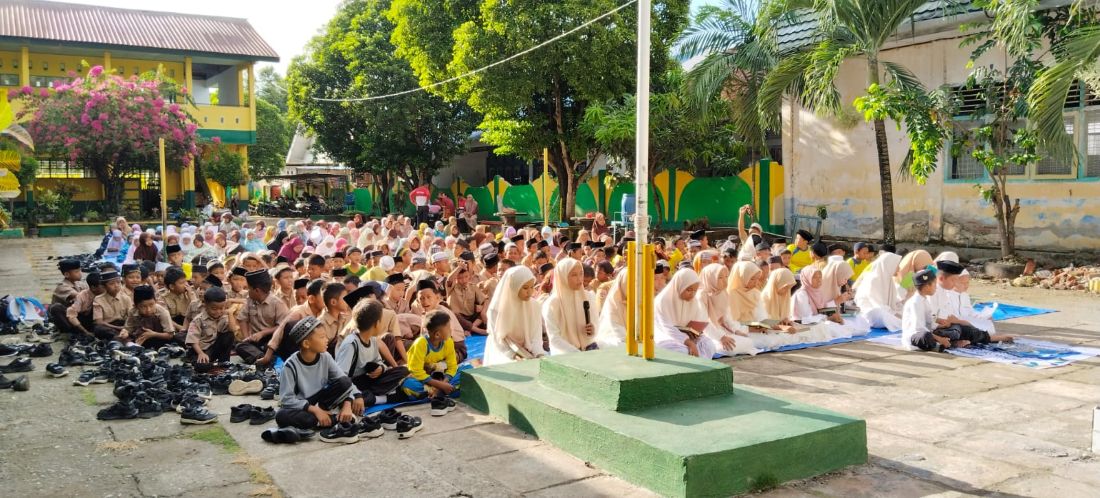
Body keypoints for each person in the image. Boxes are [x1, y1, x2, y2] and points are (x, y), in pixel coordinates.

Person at [275, 317, 362, 432]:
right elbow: (286, 399)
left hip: (323, 402)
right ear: (306, 344)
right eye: (322, 337)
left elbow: (344, 381)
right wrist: (315, 410)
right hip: (303, 407)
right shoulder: (290, 366)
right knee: (281, 416)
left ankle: (324, 419)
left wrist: (347, 404)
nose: (327, 339)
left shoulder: (325, 357)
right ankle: (335, 419)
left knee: (345, 382)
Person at [335, 300, 409, 408]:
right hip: (354, 383)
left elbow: (379, 361)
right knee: (358, 398)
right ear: (376, 324)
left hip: (369, 380)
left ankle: (372, 395)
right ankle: (377, 398)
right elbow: (341, 377)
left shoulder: (373, 339)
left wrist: (381, 369)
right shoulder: (351, 344)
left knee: (403, 370)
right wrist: (356, 394)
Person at [400, 310, 467, 419]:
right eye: (448, 327)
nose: (451, 330)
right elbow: (415, 371)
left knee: (467, 371)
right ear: (437, 334)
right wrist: (439, 386)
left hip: (440, 377)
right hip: (423, 379)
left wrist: (443, 383)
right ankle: (443, 393)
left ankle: (437, 394)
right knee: (409, 386)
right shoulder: (420, 344)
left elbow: (452, 366)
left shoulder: (448, 341)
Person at [483, 267, 546, 366]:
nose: (529, 292)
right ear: (514, 286)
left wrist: (539, 354)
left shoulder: (534, 306)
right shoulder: (496, 310)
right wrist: (514, 356)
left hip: (527, 350)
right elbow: (498, 340)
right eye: (525, 288)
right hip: (502, 350)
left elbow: (536, 337)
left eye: (532, 287)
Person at [653, 268, 717, 359]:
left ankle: (698, 362)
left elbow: (697, 322)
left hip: (688, 337)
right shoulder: (663, 301)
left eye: (695, 291)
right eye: (689, 290)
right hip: (666, 335)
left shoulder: (694, 302)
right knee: (679, 351)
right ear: (680, 285)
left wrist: (695, 334)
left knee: (709, 345)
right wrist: (688, 342)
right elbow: (666, 328)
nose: (692, 294)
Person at [698, 264, 758, 356]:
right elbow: (704, 323)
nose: (725, 281)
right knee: (731, 348)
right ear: (710, 278)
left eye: (726, 277)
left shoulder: (723, 293)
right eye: (720, 278)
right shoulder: (701, 295)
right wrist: (721, 337)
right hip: (704, 334)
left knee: (749, 342)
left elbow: (727, 317)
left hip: (721, 330)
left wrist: (736, 331)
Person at [542, 259, 598, 354]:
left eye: (581, 274)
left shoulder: (588, 296)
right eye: (574, 275)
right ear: (562, 277)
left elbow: (596, 325)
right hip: (564, 353)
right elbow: (554, 338)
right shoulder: (552, 304)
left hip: (589, 349)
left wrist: (593, 329)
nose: (580, 279)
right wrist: (576, 354)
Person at [235, 269, 290, 364]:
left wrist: (263, 333)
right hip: (256, 340)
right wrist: (247, 338)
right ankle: (264, 359)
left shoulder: (277, 303)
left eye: (249, 288)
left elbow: (283, 326)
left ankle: (262, 359)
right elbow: (242, 319)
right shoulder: (250, 301)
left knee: (282, 346)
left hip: (273, 339)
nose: (247, 291)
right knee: (240, 346)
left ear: (256, 290)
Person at [852, 252, 904, 331]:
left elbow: (894, 302)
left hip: (887, 312)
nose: (899, 268)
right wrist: (895, 314)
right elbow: (877, 305)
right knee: (882, 314)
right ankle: (903, 323)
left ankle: (902, 322)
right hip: (872, 313)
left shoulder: (889, 279)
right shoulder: (873, 279)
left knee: (904, 309)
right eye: (897, 265)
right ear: (889, 265)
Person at [186, 286, 236, 365]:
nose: (218, 312)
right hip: (200, 350)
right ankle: (204, 361)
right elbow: (193, 340)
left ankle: (223, 362)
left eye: (221, 308)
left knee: (229, 335)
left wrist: (230, 313)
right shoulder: (198, 320)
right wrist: (200, 353)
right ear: (205, 305)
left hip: (214, 348)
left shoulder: (223, 316)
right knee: (202, 367)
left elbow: (232, 330)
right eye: (214, 309)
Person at [49, 259, 87, 335]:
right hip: (66, 318)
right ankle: (70, 332)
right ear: (66, 274)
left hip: (77, 315)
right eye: (76, 272)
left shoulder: (80, 284)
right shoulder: (62, 287)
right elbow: (79, 296)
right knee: (56, 307)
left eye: (80, 270)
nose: (80, 273)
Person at [92, 271, 132, 340]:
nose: (116, 285)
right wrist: (118, 328)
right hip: (108, 326)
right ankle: (120, 339)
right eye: (111, 283)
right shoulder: (98, 299)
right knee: (98, 329)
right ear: (104, 286)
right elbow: (99, 321)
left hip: (123, 324)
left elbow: (131, 317)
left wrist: (126, 328)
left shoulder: (126, 298)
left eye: (118, 282)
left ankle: (122, 338)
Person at [315, 282, 350, 354]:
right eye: (345, 298)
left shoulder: (346, 318)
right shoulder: (320, 324)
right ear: (333, 302)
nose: (348, 300)